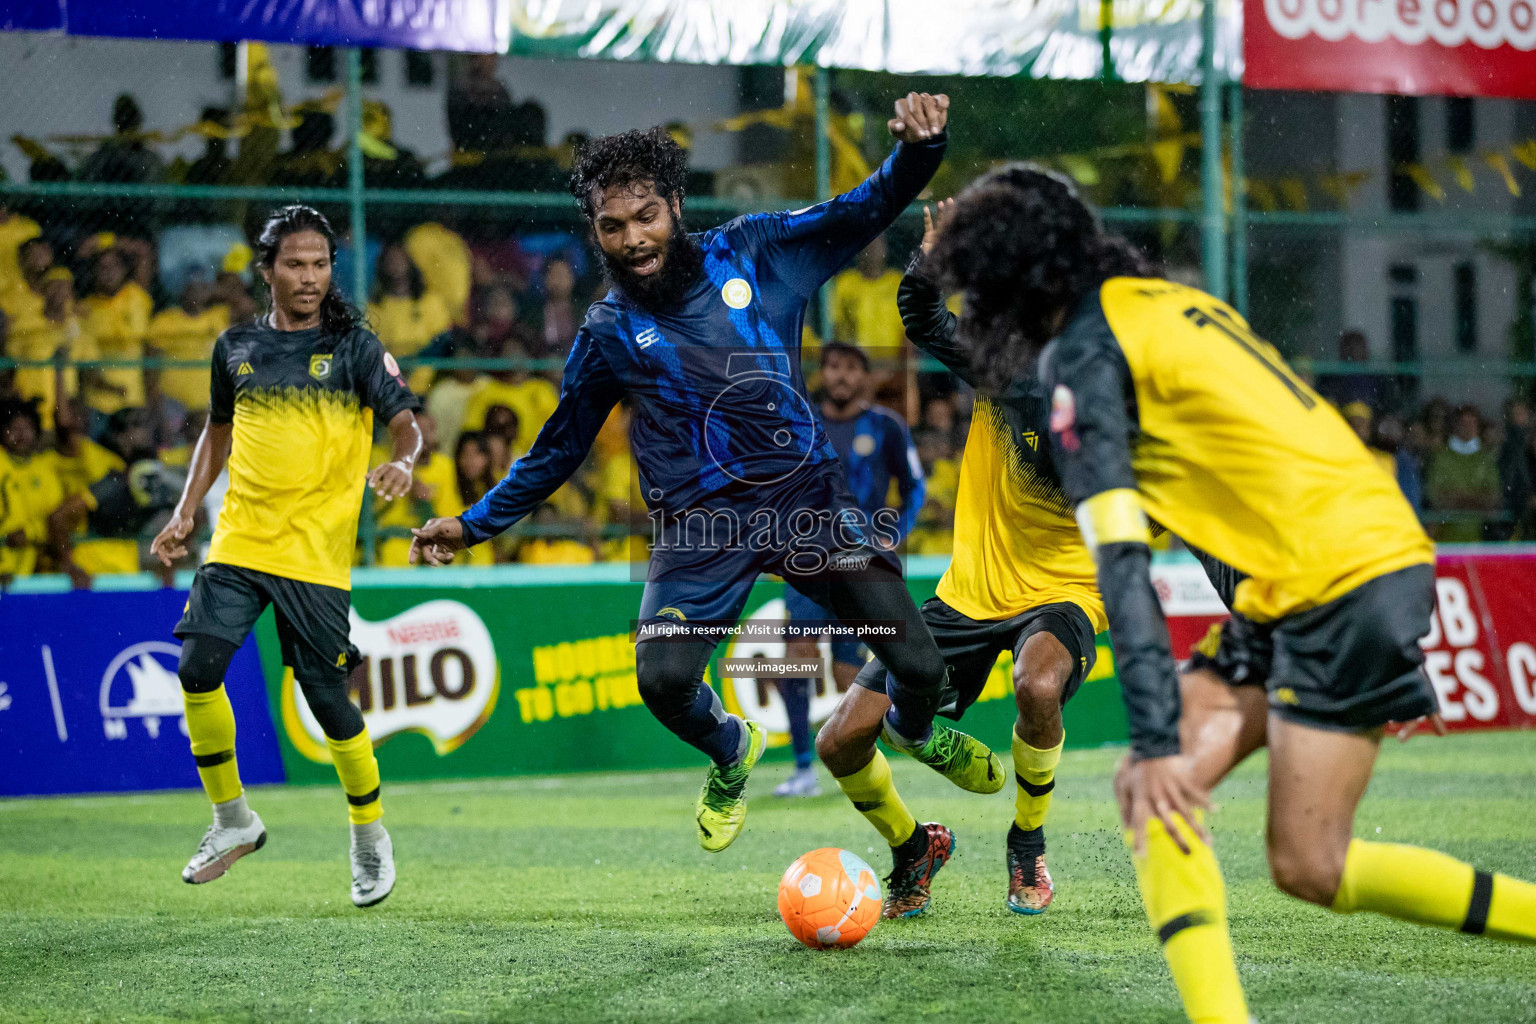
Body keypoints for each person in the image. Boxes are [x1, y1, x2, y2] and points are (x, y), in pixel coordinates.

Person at [929, 164, 1536, 1024]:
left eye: (979, 293)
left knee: (1301, 856)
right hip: (1329, 562)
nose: (975, 317)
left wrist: (1154, 731)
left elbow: (1124, 563)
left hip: (1339, 577)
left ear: (1013, 287)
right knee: (1188, 809)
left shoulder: (1085, 357)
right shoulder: (1161, 303)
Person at [410, 95, 1006, 855]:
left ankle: (916, 733)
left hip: (805, 503)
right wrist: (472, 523)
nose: (633, 239)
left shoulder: (753, 251)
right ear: (594, 232)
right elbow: (558, 449)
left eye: (647, 216)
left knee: (922, 671)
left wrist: (922, 150)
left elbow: (866, 207)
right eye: (612, 226)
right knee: (661, 682)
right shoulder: (605, 333)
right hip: (700, 529)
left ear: (677, 206)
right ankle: (731, 747)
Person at [817, 200, 1106, 919]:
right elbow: (918, 313)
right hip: (967, 592)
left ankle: (1026, 845)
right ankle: (915, 847)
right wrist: (932, 255)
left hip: (1064, 590)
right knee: (840, 742)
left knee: (1037, 687)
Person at [149, 205, 422, 908]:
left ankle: (369, 836)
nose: (309, 277)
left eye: (321, 264)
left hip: (314, 557)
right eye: (295, 265)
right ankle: (232, 819)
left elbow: (404, 423)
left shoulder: (356, 347)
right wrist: (185, 514)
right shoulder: (233, 347)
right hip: (239, 539)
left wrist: (404, 462)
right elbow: (216, 433)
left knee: (329, 700)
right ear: (266, 271)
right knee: (196, 666)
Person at [773, 341, 925, 799]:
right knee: (796, 660)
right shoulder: (801, 424)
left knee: (847, 674)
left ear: (864, 376)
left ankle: (857, 767)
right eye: (832, 367)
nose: (840, 375)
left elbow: (914, 486)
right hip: (807, 558)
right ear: (822, 374)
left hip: (862, 565)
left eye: (850, 368)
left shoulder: (886, 426)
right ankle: (803, 769)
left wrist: (895, 532)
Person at [48, 407, 183, 586]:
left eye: (145, 426)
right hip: (91, 574)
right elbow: (57, 518)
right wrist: (69, 566)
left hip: (128, 574)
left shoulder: (156, 478)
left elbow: (195, 515)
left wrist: (170, 563)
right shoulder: (110, 478)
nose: (143, 432)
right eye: (135, 426)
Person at [80, 242, 154, 420]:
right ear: (93, 272)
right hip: (98, 404)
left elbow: (143, 251)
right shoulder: (84, 309)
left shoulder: (137, 297)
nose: (109, 272)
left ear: (124, 270)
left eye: (115, 266)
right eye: (102, 267)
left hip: (134, 400)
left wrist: (106, 240)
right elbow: (85, 362)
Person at [147, 274, 230, 417]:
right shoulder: (165, 319)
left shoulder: (220, 316)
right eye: (190, 287)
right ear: (181, 290)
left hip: (210, 404)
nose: (195, 292)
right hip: (172, 403)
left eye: (201, 287)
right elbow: (151, 364)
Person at [0, 397, 64, 582]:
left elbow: (54, 520)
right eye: (14, 429)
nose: (20, 435)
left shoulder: (45, 471)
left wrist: (28, 533)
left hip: (31, 573)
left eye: (27, 428)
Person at [1425, 404, 1499, 542]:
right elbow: (1436, 496)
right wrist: (1475, 500)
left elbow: (1493, 497)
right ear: (1455, 425)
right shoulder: (1441, 456)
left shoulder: (1485, 459)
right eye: (1464, 423)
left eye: (1472, 422)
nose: (1468, 427)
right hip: (1446, 538)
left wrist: (1459, 498)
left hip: (1479, 538)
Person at [367, 245, 453, 359]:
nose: (397, 267)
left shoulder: (430, 301)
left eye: (401, 261)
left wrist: (416, 361)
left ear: (410, 264)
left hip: (428, 371)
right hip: (388, 371)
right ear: (383, 267)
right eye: (391, 262)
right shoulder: (373, 307)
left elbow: (442, 340)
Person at [830, 234, 906, 352]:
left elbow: (908, 332)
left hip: (891, 365)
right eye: (867, 242)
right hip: (857, 363)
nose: (872, 247)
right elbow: (837, 327)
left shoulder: (898, 282)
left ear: (885, 246)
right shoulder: (845, 282)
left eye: (877, 241)